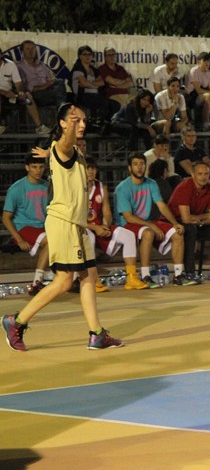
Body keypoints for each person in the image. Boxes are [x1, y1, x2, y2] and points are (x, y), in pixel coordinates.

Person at [2, 104, 123, 351]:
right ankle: (17, 321)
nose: (82, 124)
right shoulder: (63, 146)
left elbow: (62, 151)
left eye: (84, 120)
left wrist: (50, 152)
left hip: (77, 224)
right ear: (63, 123)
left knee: (89, 275)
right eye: (75, 119)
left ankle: (97, 334)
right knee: (64, 281)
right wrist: (56, 145)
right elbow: (63, 145)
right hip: (64, 222)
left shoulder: (69, 150)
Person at [114, 152, 196, 286]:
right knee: (148, 233)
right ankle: (145, 276)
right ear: (129, 168)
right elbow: (128, 217)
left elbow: (161, 205)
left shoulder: (151, 183)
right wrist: (151, 225)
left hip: (147, 222)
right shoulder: (122, 188)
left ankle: (178, 275)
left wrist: (175, 223)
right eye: (135, 164)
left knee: (178, 233)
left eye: (142, 164)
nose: (139, 167)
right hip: (128, 224)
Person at [84, 156, 151, 290]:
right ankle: (92, 279)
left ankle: (131, 278)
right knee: (89, 238)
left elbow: (107, 212)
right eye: (88, 168)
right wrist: (95, 228)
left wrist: (106, 225)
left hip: (98, 226)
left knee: (129, 235)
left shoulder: (101, 187)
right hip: (81, 227)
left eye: (93, 168)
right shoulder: (75, 188)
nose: (91, 171)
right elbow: (73, 218)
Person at [2, 154, 50, 296]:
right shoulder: (16, 188)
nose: (38, 170)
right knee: (50, 241)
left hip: (43, 227)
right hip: (24, 228)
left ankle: (68, 278)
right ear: (27, 167)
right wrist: (19, 239)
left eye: (41, 167)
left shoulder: (47, 186)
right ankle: (37, 282)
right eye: (34, 167)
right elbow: (6, 217)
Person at [0, 49, 50, 134]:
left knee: (27, 96)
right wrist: (4, 92)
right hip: (3, 94)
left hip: (9, 95)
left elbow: (18, 84)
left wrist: (20, 92)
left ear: (1, 55)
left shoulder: (10, 65)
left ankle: (39, 127)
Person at [69, 45, 119, 123]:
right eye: (85, 54)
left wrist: (90, 85)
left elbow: (102, 82)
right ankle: (100, 123)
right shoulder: (78, 69)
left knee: (116, 105)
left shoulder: (93, 69)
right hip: (83, 96)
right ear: (80, 56)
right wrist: (95, 85)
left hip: (95, 95)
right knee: (104, 103)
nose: (87, 56)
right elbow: (84, 83)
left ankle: (106, 123)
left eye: (89, 54)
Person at [17, 39, 66, 108]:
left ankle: (62, 105)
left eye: (32, 48)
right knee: (59, 94)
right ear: (22, 51)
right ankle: (62, 106)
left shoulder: (42, 64)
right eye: (27, 49)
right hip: (34, 95)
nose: (30, 51)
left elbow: (51, 80)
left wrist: (49, 84)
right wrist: (44, 86)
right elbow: (26, 87)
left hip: (47, 91)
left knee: (60, 81)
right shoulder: (19, 67)